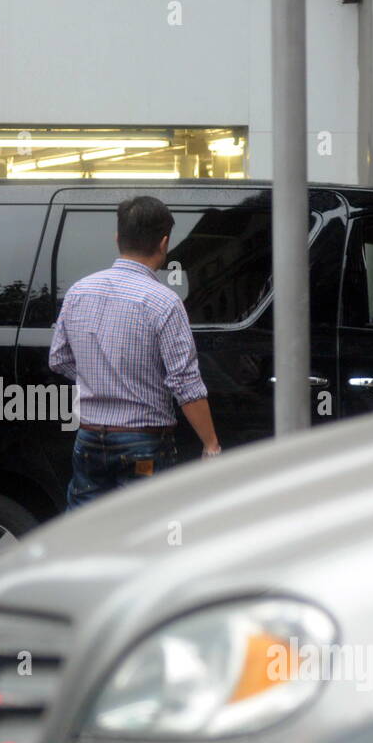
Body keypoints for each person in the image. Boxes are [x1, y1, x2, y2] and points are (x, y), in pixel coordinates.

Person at [49, 195, 222, 509]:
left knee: (88, 532)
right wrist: (210, 443)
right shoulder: (164, 302)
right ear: (164, 243)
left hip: (88, 438)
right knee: (146, 531)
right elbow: (185, 384)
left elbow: (58, 358)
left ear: (118, 238)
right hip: (144, 442)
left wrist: (98, 377)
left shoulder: (79, 291)